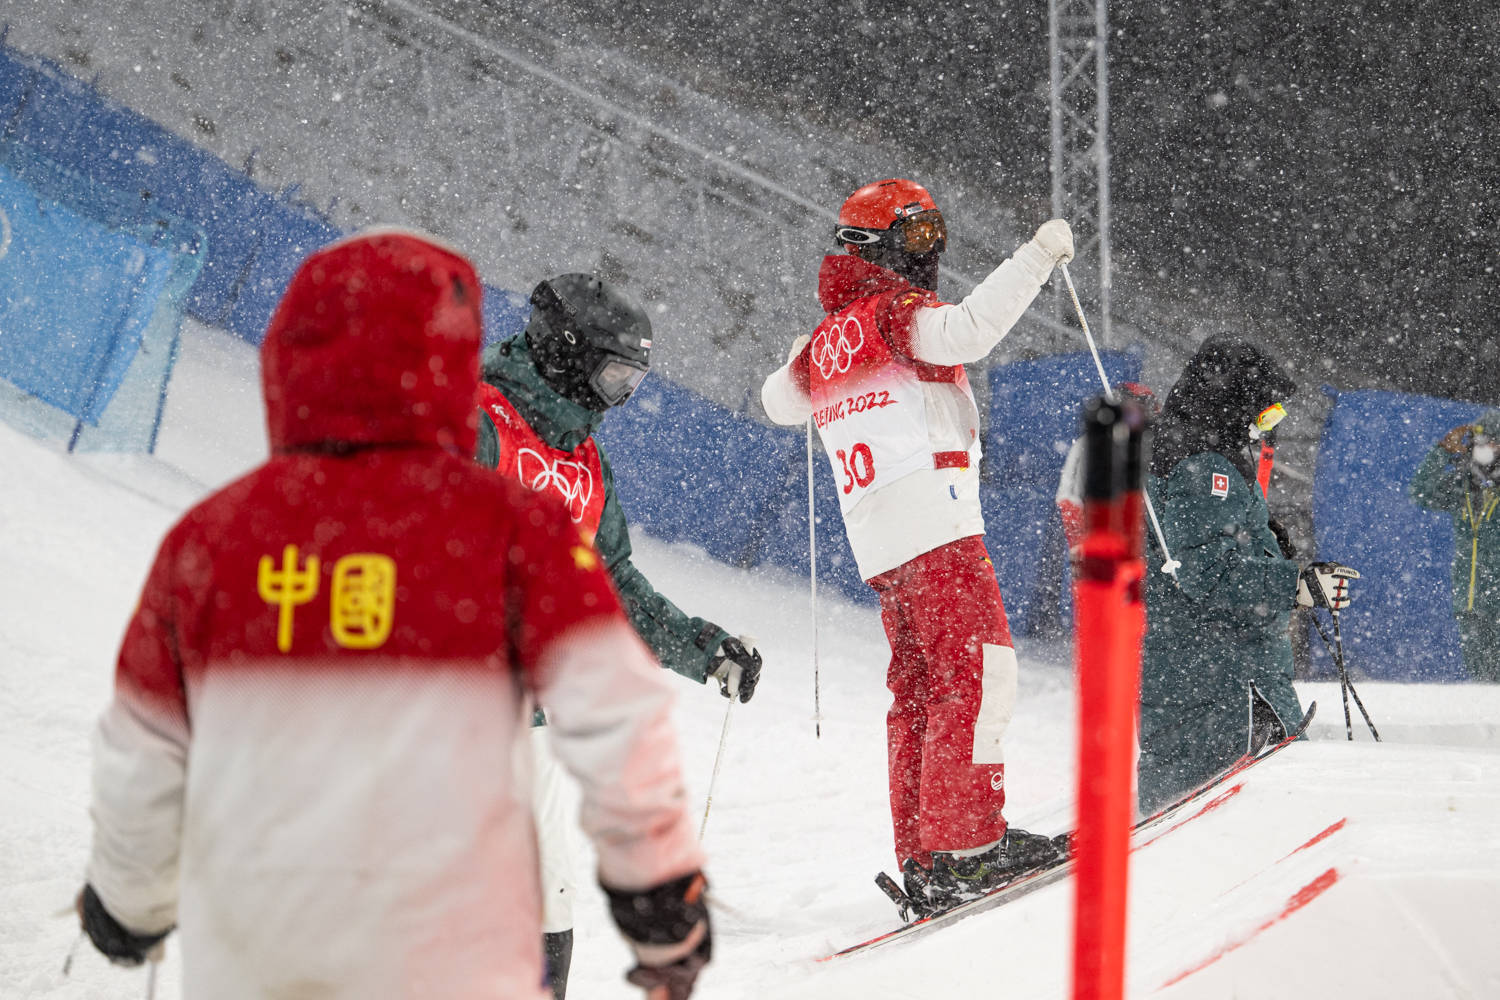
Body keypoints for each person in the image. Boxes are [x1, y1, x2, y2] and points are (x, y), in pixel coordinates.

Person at [74, 230, 712, 1000]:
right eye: (615, 378)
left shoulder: (218, 532)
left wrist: (130, 902)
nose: (620, 400)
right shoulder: (490, 465)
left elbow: (149, 739)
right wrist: (659, 895)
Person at [759, 177, 1075, 909]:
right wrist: (1035, 257)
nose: (929, 255)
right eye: (919, 239)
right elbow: (967, 332)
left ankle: (930, 849)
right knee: (977, 675)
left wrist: (801, 357)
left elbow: (777, 402)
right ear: (880, 248)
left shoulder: (830, 340)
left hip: (881, 544)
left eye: (936, 236)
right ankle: (967, 847)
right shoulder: (894, 311)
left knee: (921, 692)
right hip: (938, 526)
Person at [472, 272, 761, 995]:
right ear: (568, 354)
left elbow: (614, 588)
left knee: (545, 890)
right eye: (614, 376)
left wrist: (703, 648)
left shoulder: (584, 469)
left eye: (632, 381)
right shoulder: (475, 421)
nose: (620, 397)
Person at [1137, 334, 1351, 814]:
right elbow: (1202, 575)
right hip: (1217, 683)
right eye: (1263, 413)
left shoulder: (1202, 451)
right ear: (1231, 400)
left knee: (1221, 811)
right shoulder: (1201, 465)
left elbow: (1209, 545)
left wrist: (1266, 542)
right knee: (1215, 818)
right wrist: (1293, 584)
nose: (1264, 428)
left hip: (1226, 674)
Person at [1409, 408, 1500, 681]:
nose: (1487, 448)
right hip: (1470, 604)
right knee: (1484, 685)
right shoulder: (1463, 488)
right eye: (1482, 442)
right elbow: (1421, 491)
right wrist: (1442, 452)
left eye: (1494, 441)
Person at [1056, 382, 1161, 559]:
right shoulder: (1091, 446)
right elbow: (1070, 501)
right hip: (1103, 543)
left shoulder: (1149, 447)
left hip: (1141, 553)